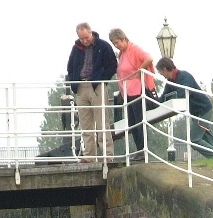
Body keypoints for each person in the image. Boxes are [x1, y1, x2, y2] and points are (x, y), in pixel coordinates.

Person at [66, 23, 118, 162]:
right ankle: (89, 155)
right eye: (81, 38)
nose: (84, 40)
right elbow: (70, 67)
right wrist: (74, 82)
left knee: (102, 122)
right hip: (81, 87)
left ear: (91, 33)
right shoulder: (76, 48)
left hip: (97, 86)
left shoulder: (103, 46)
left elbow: (112, 65)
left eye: (86, 37)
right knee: (85, 123)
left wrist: (102, 79)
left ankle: (107, 155)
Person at [155, 57, 213, 158]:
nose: (162, 76)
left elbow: (182, 94)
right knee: (206, 136)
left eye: (161, 73)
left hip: (203, 110)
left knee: (194, 139)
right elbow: (163, 97)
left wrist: (171, 96)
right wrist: (151, 102)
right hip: (196, 113)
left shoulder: (184, 76)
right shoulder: (170, 82)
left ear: (164, 69)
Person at [108, 28, 155, 157]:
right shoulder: (122, 54)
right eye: (114, 44)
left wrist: (139, 71)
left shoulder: (134, 49)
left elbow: (149, 58)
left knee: (139, 120)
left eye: (117, 42)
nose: (116, 46)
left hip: (137, 90)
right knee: (132, 122)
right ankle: (139, 150)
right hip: (127, 92)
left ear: (124, 39)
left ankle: (143, 150)